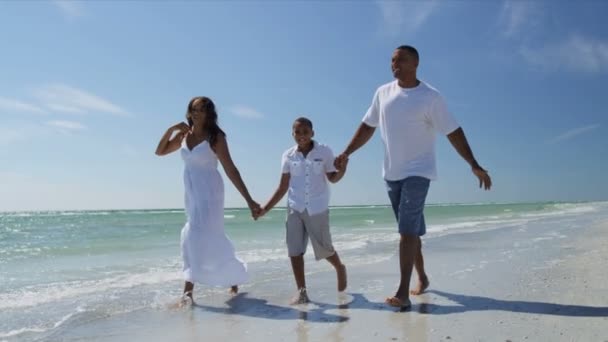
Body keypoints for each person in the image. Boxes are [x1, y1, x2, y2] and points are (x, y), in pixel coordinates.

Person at [335, 45, 492, 309]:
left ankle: (403, 293)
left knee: (406, 231)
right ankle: (423, 277)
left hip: (419, 172)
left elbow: (453, 131)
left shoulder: (430, 97)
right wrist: (347, 152)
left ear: (416, 63)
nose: (394, 64)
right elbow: (367, 126)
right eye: (392, 60)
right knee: (411, 232)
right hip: (392, 173)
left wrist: (473, 164)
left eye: (401, 60)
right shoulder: (382, 93)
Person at [155, 96, 261, 304]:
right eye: (194, 109)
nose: (197, 113)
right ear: (189, 112)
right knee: (211, 236)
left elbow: (230, 169)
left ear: (209, 113)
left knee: (193, 236)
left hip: (210, 192)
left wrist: (249, 200)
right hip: (192, 193)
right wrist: (172, 129)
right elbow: (160, 151)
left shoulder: (216, 137)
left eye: (202, 110)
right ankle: (232, 278)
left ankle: (187, 293)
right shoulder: (184, 135)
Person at [259, 117, 348, 304]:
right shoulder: (288, 156)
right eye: (297, 132)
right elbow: (282, 187)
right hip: (295, 207)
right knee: (294, 251)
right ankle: (302, 292)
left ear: (312, 133)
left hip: (317, 208)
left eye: (305, 131)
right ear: (292, 134)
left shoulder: (324, 151)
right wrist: (265, 208)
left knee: (324, 249)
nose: (301, 135)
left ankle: (339, 267)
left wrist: (343, 169)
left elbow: (333, 178)